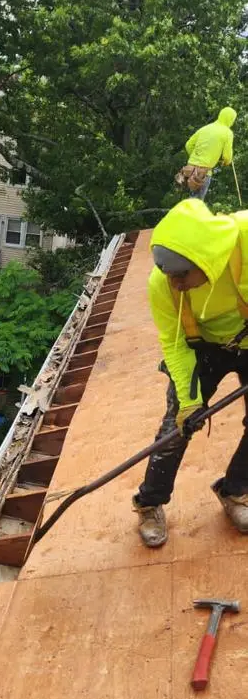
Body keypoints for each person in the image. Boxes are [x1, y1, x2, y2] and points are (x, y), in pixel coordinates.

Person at [133, 197, 248, 548]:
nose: (176, 284)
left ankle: (235, 492)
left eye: (182, 275)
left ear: (205, 259)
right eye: (170, 276)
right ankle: (149, 503)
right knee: (177, 428)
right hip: (201, 349)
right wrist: (189, 401)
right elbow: (173, 343)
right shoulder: (162, 284)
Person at [175, 106, 237, 201]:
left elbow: (188, 145)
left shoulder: (205, 128)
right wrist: (226, 161)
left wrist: (196, 158)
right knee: (196, 204)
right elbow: (227, 156)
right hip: (202, 173)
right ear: (231, 119)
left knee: (187, 201)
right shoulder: (227, 133)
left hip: (188, 170)